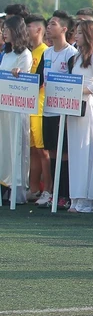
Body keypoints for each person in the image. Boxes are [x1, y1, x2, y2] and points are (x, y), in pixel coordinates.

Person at [36, 11, 79, 208]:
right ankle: (54, 192)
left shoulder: (72, 54)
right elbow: (38, 80)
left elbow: (75, 83)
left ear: (64, 29)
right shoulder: (47, 53)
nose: (49, 27)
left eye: (53, 24)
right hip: (48, 110)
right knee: (51, 151)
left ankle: (65, 195)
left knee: (64, 153)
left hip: (64, 112)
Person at [67, 20, 93, 213]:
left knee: (86, 149)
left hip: (88, 105)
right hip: (74, 106)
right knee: (75, 151)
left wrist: (82, 90)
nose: (76, 36)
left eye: (81, 33)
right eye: (76, 32)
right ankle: (75, 196)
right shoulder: (76, 57)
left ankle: (86, 200)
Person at [0, 15, 33, 205]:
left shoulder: (24, 54)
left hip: (17, 108)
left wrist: (17, 76)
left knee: (16, 146)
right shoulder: (6, 54)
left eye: (7, 29)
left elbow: (23, 80)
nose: (4, 33)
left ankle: (17, 190)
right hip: (4, 106)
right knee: (4, 147)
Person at [24, 14, 49, 202]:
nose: (25, 31)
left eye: (29, 27)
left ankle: (47, 189)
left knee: (43, 151)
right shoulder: (28, 52)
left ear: (39, 29)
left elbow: (41, 81)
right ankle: (33, 188)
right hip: (29, 106)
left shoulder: (44, 51)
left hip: (41, 107)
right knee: (33, 149)